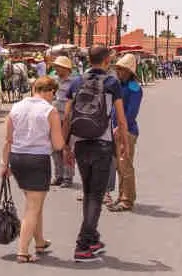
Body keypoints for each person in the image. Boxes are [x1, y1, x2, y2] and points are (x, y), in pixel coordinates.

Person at [62, 44, 128, 263]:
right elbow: (120, 117)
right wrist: (124, 144)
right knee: (95, 196)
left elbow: (67, 116)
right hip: (102, 143)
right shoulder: (111, 83)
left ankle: (92, 238)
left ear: (88, 59)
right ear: (107, 60)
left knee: (89, 192)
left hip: (81, 143)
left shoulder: (77, 81)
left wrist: (65, 146)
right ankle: (83, 245)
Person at [1, 76, 66, 263]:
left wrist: (4, 164)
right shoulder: (49, 111)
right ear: (49, 91)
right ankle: (22, 250)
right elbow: (58, 144)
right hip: (38, 159)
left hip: (17, 158)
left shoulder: (16, 107)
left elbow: (8, 139)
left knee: (34, 202)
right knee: (32, 207)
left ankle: (39, 241)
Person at [108, 54, 143, 212]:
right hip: (116, 130)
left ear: (129, 71)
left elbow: (131, 112)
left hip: (127, 131)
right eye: (118, 69)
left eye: (122, 70)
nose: (119, 72)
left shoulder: (134, 88)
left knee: (125, 164)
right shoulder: (119, 86)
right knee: (119, 167)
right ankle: (122, 196)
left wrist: (121, 128)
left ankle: (127, 199)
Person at [50, 56, 75, 188]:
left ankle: (68, 177)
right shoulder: (54, 81)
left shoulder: (74, 82)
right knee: (54, 148)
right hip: (55, 117)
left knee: (67, 148)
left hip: (68, 119)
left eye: (58, 67)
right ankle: (58, 175)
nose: (56, 69)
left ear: (66, 68)